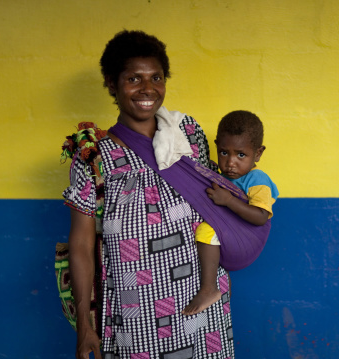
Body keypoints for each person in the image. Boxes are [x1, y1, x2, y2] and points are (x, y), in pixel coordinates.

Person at [63, 30, 234, 359]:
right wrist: (85, 327)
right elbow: (81, 245)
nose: (147, 89)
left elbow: (218, 193)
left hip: (202, 295)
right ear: (112, 84)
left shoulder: (186, 134)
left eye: (156, 77)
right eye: (133, 78)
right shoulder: (93, 156)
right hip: (135, 312)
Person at [182, 111, 279, 316]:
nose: (231, 162)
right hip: (228, 235)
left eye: (240, 155)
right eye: (224, 153)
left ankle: (208, 288)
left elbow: (261, 216)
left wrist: (228, 200)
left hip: (246, 234)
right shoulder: (218, 175)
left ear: (258, 153)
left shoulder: (256, 179)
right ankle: (221, 284)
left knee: (206, 230)